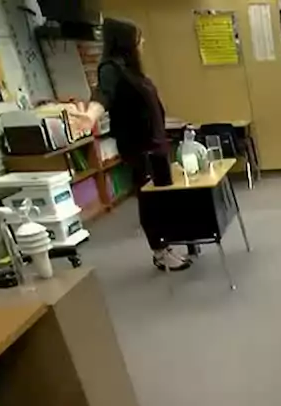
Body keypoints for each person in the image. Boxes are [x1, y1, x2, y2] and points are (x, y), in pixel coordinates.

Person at [65, 18, 193, 271]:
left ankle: (167, 245)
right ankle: (159, 251)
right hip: (140, 148)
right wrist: (91, 115)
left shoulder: (131, 70)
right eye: (138, 38)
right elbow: (103, 94)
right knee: (150, 201)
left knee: (163, 199)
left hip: (155, 145)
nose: (142, 42)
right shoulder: (111, 69)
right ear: (125, 42)